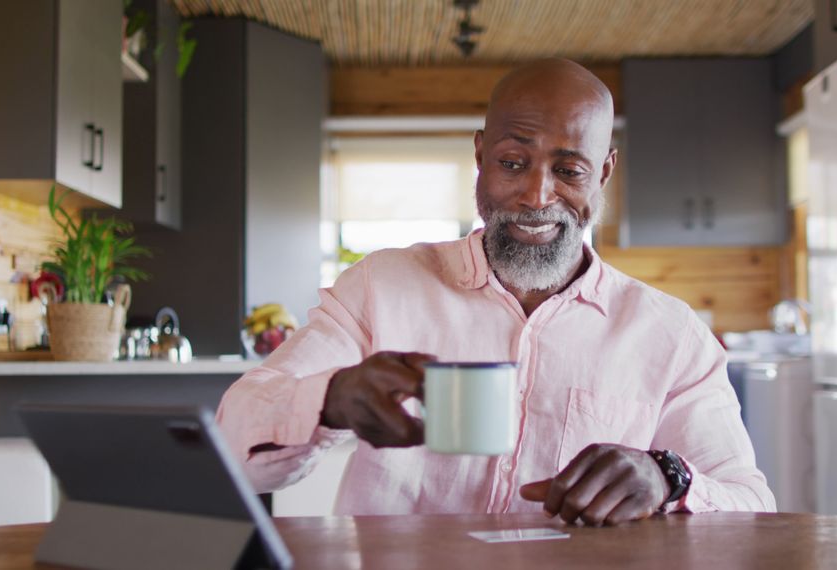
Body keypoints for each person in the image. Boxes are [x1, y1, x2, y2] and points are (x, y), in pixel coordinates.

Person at [217, 58, 775, 526]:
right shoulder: (379, 287)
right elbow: (235, 445)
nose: (536, 194)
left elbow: (750, 505)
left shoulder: (670, 335)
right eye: (513, 162)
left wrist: (667, 477)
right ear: (480, 156)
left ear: (603, 173)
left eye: (570, 170)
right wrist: (331, 398)